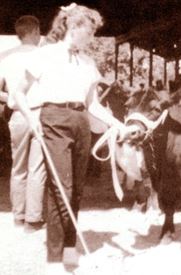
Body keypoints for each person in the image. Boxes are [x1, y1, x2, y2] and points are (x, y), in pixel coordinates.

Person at [14, 3, 139, 274]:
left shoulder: (87, 62)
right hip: (54, 119)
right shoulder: (45, 55)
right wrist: (32, 118)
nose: (92, 37)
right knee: (61, 188)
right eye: (90, 31)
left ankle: (69, 250)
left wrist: (118, 124)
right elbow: (18, 93)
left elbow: (93, 104)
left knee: (77, 190)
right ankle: (54, 260)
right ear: (74, 27)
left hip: (81, 121)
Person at [0, 15, 47, 232]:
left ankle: (18, 216)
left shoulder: (5, 57)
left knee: (18, 168)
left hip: (18, 115)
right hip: (39, 114)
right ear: (36, 31)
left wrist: (11, 98)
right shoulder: (44, 56)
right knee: (37, 168)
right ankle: (33, 219)